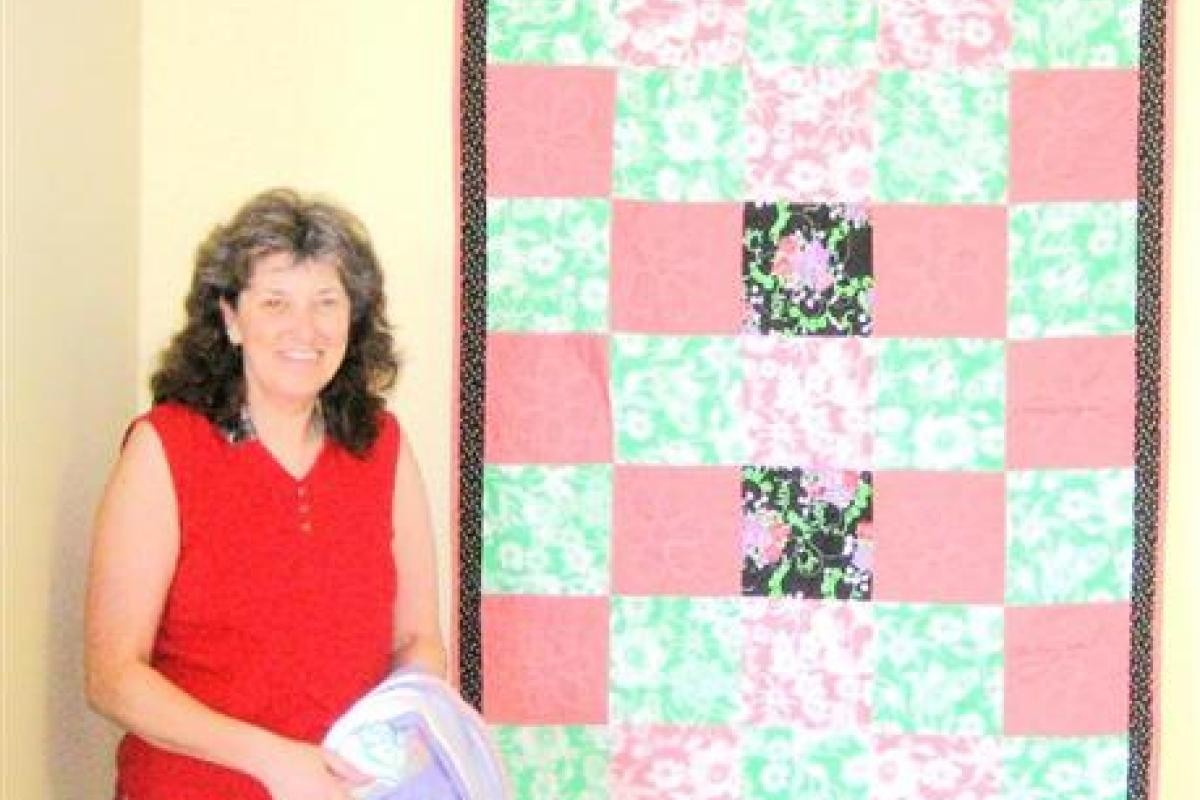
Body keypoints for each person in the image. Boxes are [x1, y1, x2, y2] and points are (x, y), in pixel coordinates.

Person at [84, 188, 447, 800]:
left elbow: (418, 639)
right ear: (230, 317)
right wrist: (275, 762)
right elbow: (111, 676)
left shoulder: (383, 444)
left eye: (326, 302)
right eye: (275, 301)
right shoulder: (164, 447)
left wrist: (402, 727)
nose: (302, 329)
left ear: (352, 320)